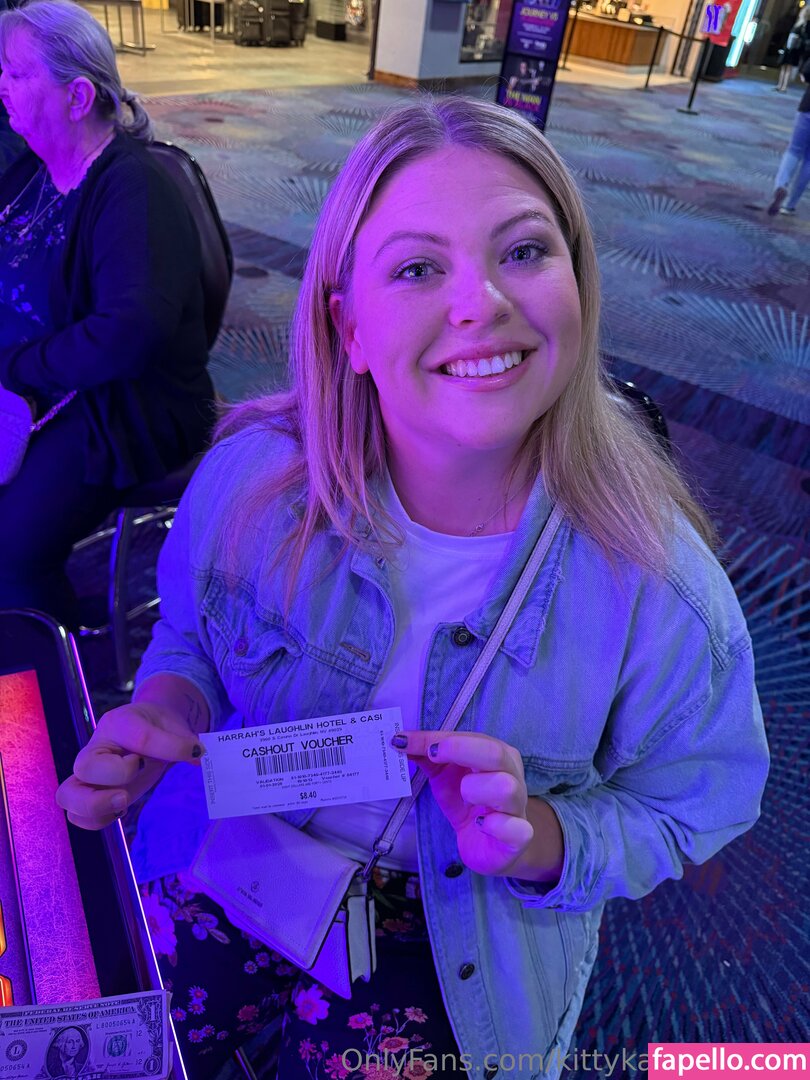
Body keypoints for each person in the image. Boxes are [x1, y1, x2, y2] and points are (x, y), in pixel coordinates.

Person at [56, 97, 769, 1080]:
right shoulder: (252, 480)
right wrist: (171, 708)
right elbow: (191, 633)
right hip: (236, 852)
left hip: (451, 928)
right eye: (417, 268)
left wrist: (543, 838)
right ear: (347, 326)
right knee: (102, 1047)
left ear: (579, 285)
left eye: (525, 251)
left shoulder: (658, 585)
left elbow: (697, 801)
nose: (482, 303)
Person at [0, 0, 214, 625]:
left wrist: (15, 368)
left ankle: (47, 667)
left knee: (10, 550)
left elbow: (127, 336)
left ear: (77, 96)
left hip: (126, 406)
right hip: (45, 383)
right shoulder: (35, 168)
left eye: (17, 73)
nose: (2, 86)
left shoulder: (133, 189)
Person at [768, 54, 810, 215]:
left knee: (794, 150)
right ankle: (790, 204)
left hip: (808, 107)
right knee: (809, 160)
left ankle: (781, 185)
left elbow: (806, 73)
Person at [775, 6, 810, 92]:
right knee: (784, 66)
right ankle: (780, 84)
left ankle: (784, 86)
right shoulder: (799, 23)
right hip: (789, 46)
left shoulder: (805, 24)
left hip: (794, 48)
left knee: (788, 67)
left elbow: (805, 37)